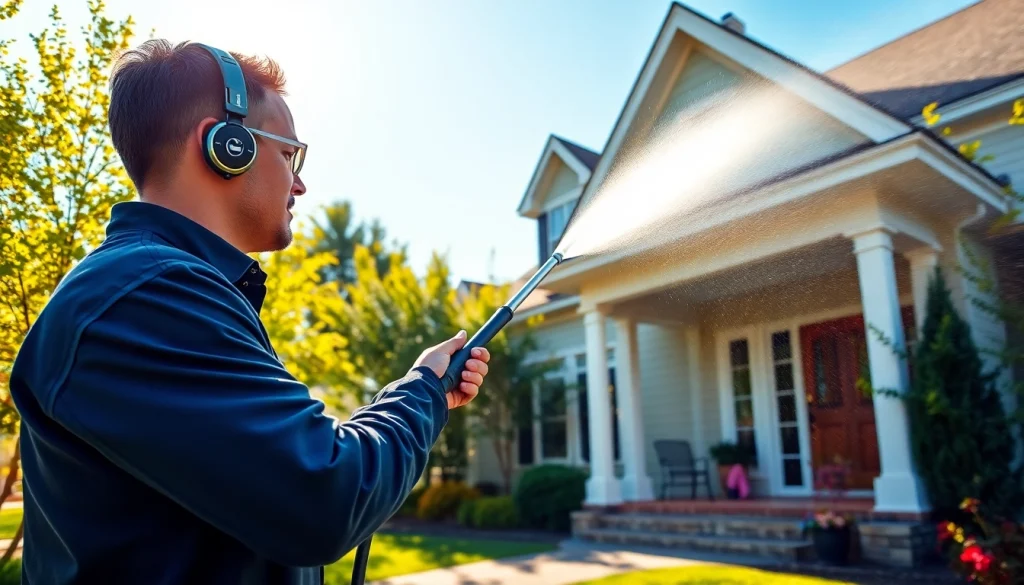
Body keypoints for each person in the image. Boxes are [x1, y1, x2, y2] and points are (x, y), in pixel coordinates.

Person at [8, 39, 490, 585]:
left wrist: (415, 391)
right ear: (225, 145)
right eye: (289, 154)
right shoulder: (147, 295)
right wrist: (422, 391)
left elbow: (291, 474)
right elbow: (325, 496)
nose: (300, 183)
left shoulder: (158, 292)